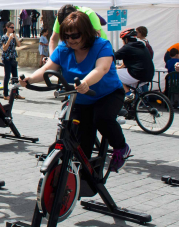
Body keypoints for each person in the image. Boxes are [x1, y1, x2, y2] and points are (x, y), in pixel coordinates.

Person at [20, 11, 130, 172]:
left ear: (86, 32)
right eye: (66, 36)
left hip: (107, 94)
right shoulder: (64, 48)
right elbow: (47, 69)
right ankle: (79, 181)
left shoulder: (102, 45)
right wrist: (28, 79)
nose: (70, 40)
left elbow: (102, 68)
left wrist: (86, 82)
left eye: (75, 36)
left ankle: (121, 148)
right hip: (80, 98)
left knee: (102, 118)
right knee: (79, 141)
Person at [0, 22, 24, 100]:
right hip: (6, 58)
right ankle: (6, 94)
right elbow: (4, 48)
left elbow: (19, 45)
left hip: (13, 58)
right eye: (11, 27)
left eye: (13, 28)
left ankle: (16, 93)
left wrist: (15, 38)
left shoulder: (14, 36)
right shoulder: (4, 37)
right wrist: (9, 39)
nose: (13, 29)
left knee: (15, 77)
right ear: (7, 27)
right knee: (7, 76)